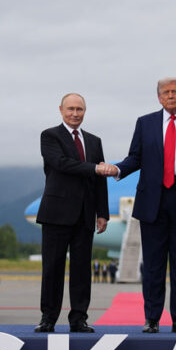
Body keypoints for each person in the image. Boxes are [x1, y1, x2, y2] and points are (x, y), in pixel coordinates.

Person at [106, 77, 176, 334]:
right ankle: (152, 319)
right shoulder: (145, 123)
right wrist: (118, 169)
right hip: (153, 201)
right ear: (158, 97)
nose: (170, 96)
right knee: (153, 265)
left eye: (175, 92)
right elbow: (135, 157)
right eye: (165, 92)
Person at [35, 93, 110, 333]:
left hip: (85, 214)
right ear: (61, 110)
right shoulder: (50, 136)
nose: (75, 113)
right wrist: (95, 168)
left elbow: (100, 183)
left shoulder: (94, 141)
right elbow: (61, 164)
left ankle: (79, 319)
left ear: (85, 111)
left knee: (81, 271)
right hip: (56, 213)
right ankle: (48, 318)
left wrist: (103, 212)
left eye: (79, 109)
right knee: (53, 269)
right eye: (70, 109)